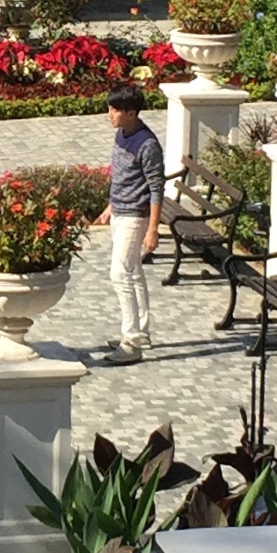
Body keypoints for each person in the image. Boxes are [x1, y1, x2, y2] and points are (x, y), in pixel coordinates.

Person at [92, 85, 164, 365]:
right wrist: (110, 206)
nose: (109, 114)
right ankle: (142, 330)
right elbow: (123, 177)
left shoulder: (148, 145)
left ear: (131, 113)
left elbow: (156, 187)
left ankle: (131, 341)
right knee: (132, 272)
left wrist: (153, 229)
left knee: (119, 273)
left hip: (136, 216)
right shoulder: (122, 135)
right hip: (120, 211)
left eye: (115, 110)